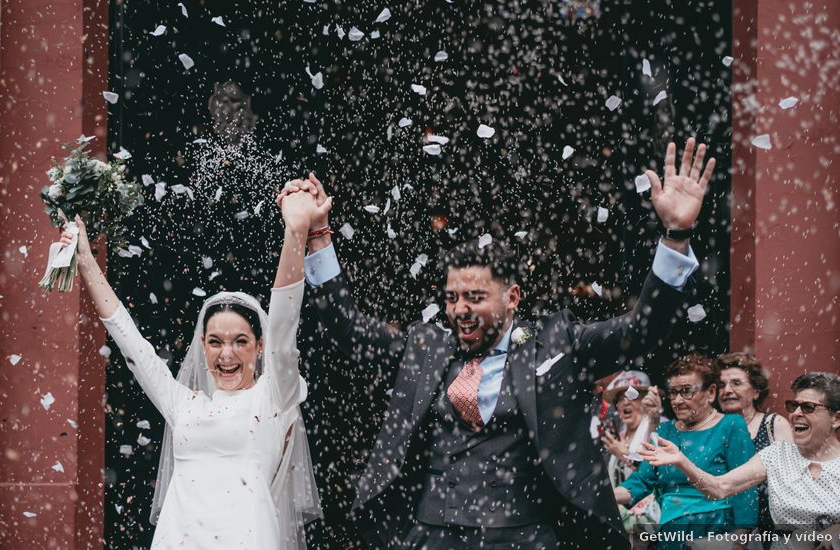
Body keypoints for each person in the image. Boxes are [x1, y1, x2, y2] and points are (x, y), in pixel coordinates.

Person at [282, 138, 716, 548]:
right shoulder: (425, 346)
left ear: (512, 299)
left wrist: (676, 236)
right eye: (452, 298)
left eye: (474, 297)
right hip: (432, 535)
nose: (459, 310)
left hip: (527, 535)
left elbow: (641, 329)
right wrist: (318, 237)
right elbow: (349, 330)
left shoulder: (556, 344)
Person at [56, 183, 329, 549]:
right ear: (202, 345)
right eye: (215, 342)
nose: (226, 354)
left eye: (240, 342)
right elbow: (132, 346)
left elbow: (283, 324)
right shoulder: (183, 404)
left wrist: (294, 233)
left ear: (259, 346)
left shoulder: (274, 397)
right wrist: (87, 260)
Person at [639, 372, 840, 549]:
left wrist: (839, 530)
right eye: (793, 406)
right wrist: (682, 461)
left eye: (808, 408)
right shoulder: (777, 454)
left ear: (836, 418)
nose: (796, 413)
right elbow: (720, 487)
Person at [614, 353, 758, 548]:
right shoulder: (665, 431)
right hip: (671, 532)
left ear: (711, 393)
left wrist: (740, 541)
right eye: (673, 392)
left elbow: (746, 488)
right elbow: (640, 482)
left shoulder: (731, 425)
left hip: (715, 528)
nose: (677, 400)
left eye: (687, 391)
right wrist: (601, 498)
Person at [716, 352, 793, 539]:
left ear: (756, 390)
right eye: (721, 385)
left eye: (736, 383)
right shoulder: (712, 429)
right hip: (722, 526)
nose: (726, 390)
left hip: (770, 529)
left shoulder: (774, 425)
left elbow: (792, 478)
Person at [600, 372, 664, 537]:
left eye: (632, 395)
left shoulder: (659, 427)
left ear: (647, 399)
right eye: (620, 398)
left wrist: (626, 456)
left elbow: (656, 478)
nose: (625, 402)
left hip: (651, 521)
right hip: (623, 522)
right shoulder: (617, 435)